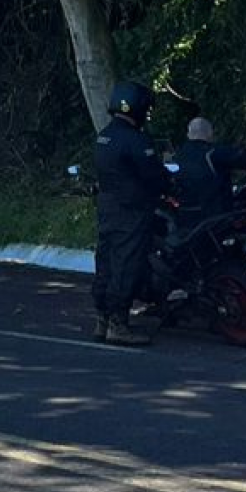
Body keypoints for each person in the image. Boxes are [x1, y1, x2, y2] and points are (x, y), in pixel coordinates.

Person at [90, 80, 171, 346]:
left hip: (107, 208)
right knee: (127, 263)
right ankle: (118, 324)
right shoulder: (136, 140)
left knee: (106, 261)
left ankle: (102, 319)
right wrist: (171, 187)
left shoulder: (104, 136)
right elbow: (154, 176)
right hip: (132, 210)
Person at [169, 116, 246, 237]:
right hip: (217, 218)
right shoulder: (212, 153)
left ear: (188, 134)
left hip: (187, 223)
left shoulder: (176, 159)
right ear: (210, 133)